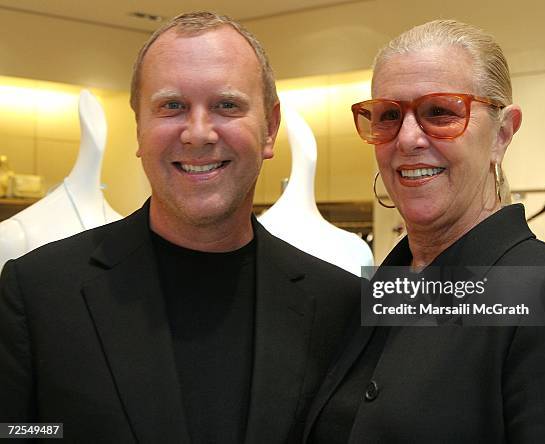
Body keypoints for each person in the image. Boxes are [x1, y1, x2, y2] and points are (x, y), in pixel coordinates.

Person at [0, 11, 359, 444]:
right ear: (138, 127)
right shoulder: (39, 291)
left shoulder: (342, 304)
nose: (198, 133)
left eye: (227, 105)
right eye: (172, 106)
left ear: (271, 128)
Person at [303, 20, 545, 443]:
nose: (408, 139)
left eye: (441, 112)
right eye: (388, 116)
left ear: (502, 134)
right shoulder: (384, 290)